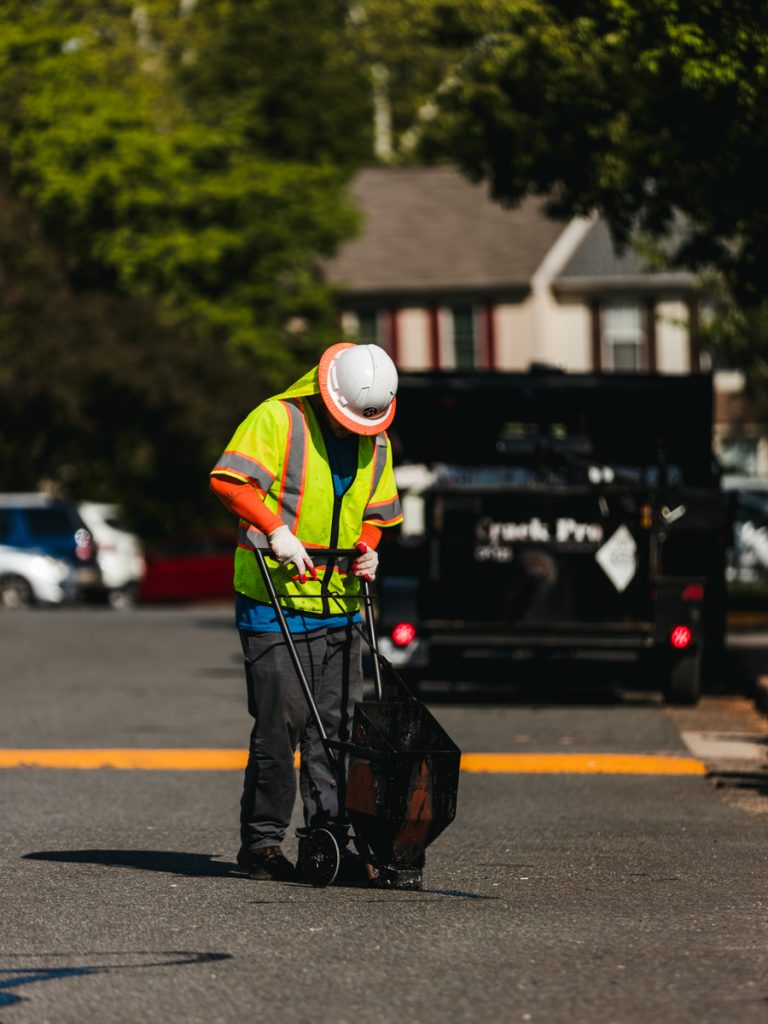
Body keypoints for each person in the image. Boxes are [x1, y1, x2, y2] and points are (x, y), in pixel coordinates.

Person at [210, 342, 403, 881]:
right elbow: (228, 480)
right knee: (281, 725)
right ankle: (262, 844)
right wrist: (274, 530)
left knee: (340, 728)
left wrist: (368, 548)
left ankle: (330, 837)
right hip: (274, 602)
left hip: (338, 601)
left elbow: (377, 511)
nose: (360, 432)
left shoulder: (374, 437)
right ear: (328, 394)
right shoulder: (277, 420)